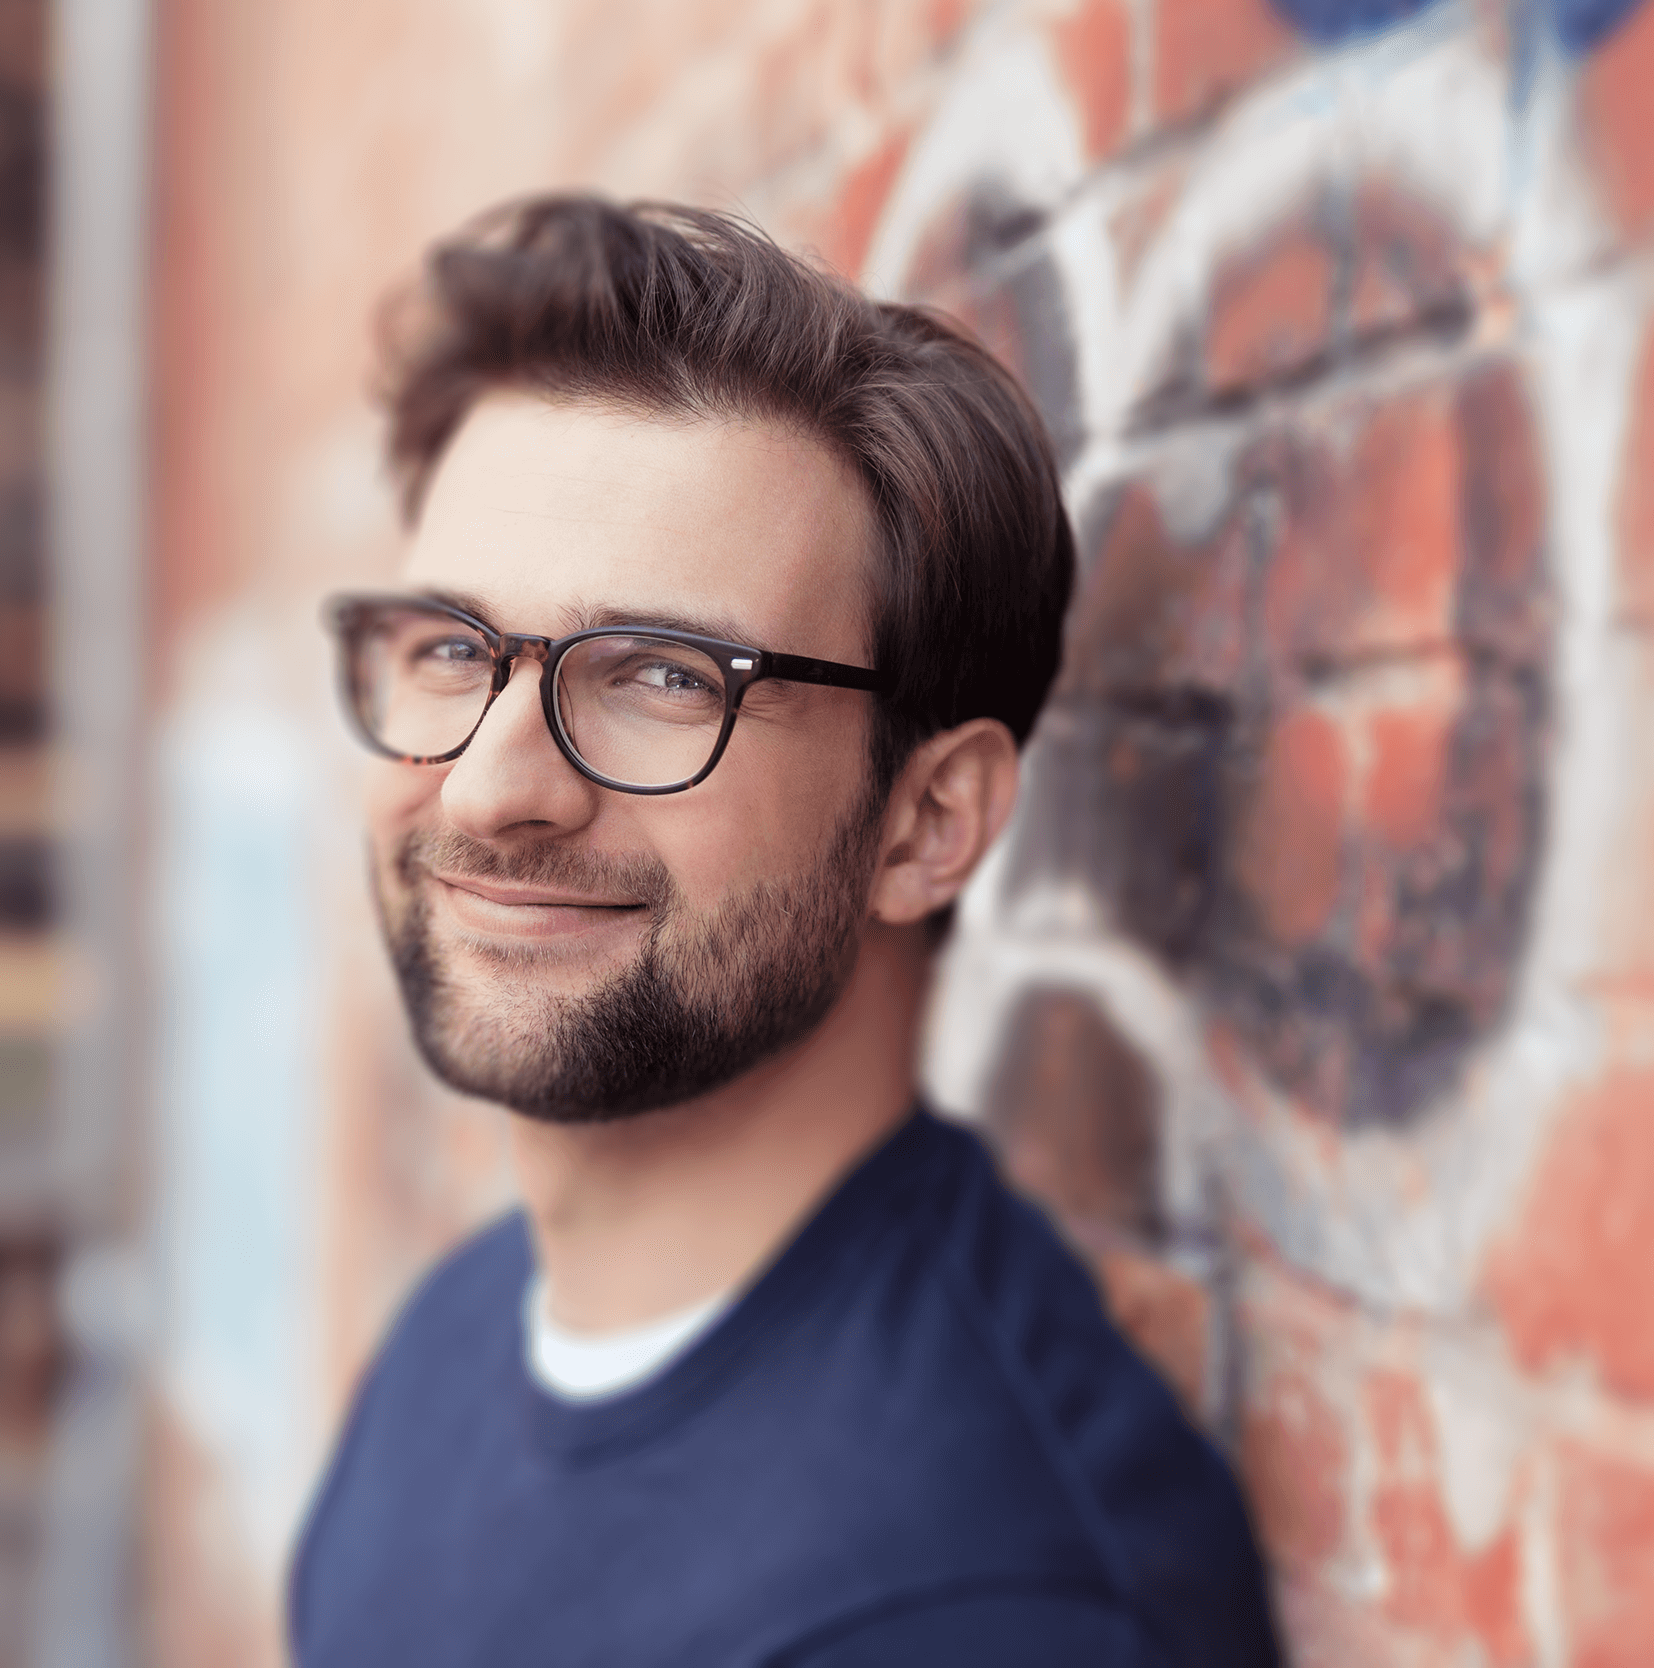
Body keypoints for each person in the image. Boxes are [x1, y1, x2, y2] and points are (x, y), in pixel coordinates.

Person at [290, 196, 1279, 1667]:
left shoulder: (986, 1593)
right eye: (450, 650)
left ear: (925, 823)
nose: (497, 787)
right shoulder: (456, 1342)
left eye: (666, 679)